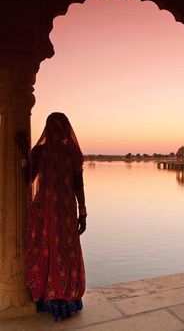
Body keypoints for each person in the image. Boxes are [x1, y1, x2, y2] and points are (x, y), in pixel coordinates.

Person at [16, 112, 87, 321]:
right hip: (65, 211)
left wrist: (22, 151)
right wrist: (83, 213)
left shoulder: (41, 152)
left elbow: (28, 177)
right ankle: (66, 298)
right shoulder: (72, 153)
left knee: (46, 248)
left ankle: (48, 296)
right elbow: (78, 186)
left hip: (45, 210)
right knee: (65, 252)